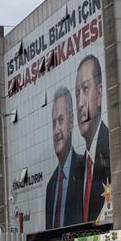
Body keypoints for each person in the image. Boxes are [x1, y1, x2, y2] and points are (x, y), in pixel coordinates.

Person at [75, 54, 111, 223]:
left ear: (99, 93)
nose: (80, 103)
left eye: (86, 88)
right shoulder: (80, 167)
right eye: (77, 93)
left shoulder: (113, 148)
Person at [45, 86, 85, 229]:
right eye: (53, 123)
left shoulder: (85, 169)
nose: (56, 130)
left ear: (71, 122)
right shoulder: (50, 187)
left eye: (60, 120)